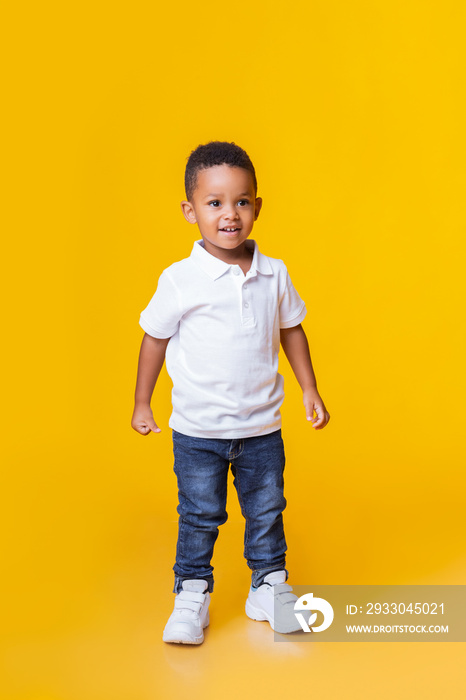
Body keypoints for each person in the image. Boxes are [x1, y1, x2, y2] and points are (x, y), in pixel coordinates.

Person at [131, 141, 330, 644]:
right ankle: (191, 592)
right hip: (198, 429)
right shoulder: (180, 279)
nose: (229, 215)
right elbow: (154, 338)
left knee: (266, 509)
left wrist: (309, 387)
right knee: (199, 513)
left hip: (262, 427)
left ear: (257, 207)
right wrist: (141, 401)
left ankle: (268, 585)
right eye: (214, 203)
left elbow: (292, 330)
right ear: (189, 210)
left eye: (242, 202)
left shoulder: (274, 272)